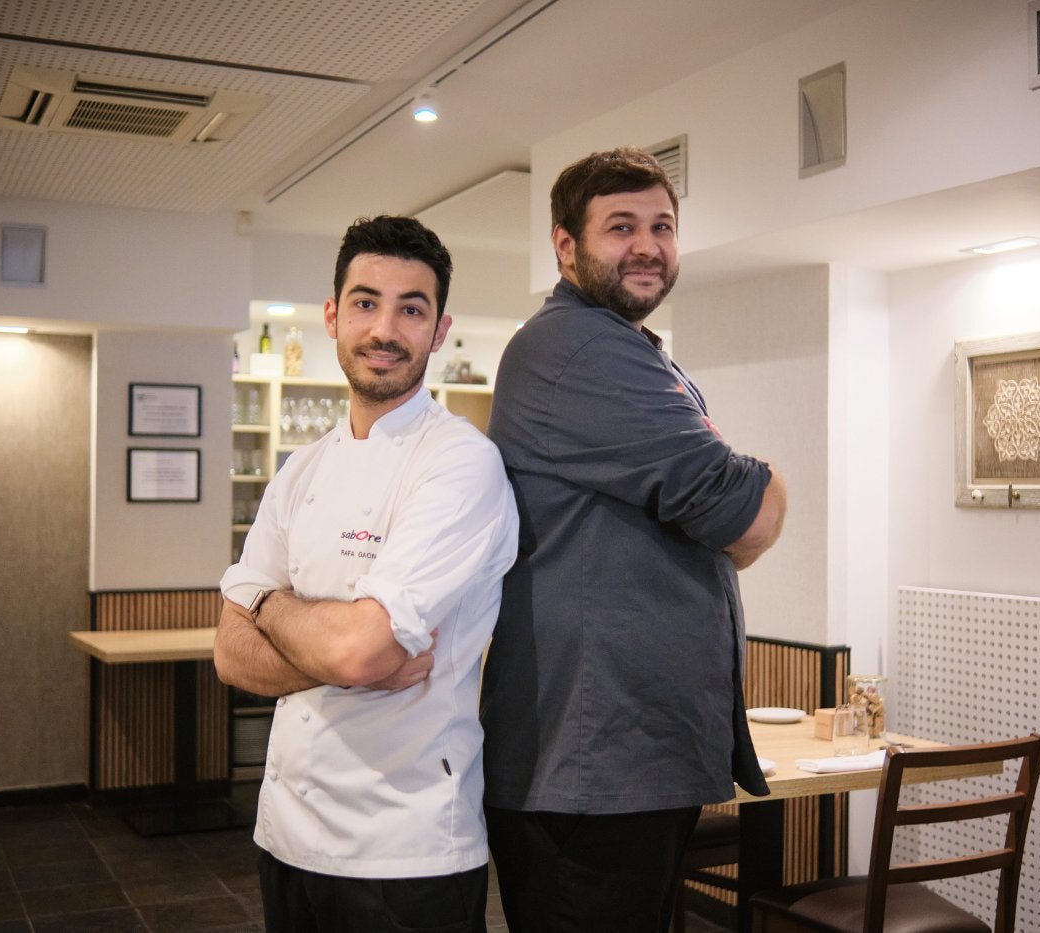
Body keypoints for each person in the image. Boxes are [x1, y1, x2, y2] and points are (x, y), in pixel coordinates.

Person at [480, 147, 787, 931]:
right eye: (621, 227)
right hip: (591, 765)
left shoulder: (634, 352)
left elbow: (731, 519)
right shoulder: (578, 347)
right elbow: (749, 514)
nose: (647, 245)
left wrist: (731, 494)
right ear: (564, 244)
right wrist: (757, 477)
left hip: (627, 763)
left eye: (663, 226)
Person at [216, 215, 518, 933]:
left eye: (411, 308)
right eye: (365, 302)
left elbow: (360, 649)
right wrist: (339, 648)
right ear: (332, 316)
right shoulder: (301, 470)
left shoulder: (460, 463)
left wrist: (268, 604)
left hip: (405, 851)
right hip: (286, 835)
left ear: (439, 330)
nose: (385, 327)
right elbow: (231, 653)